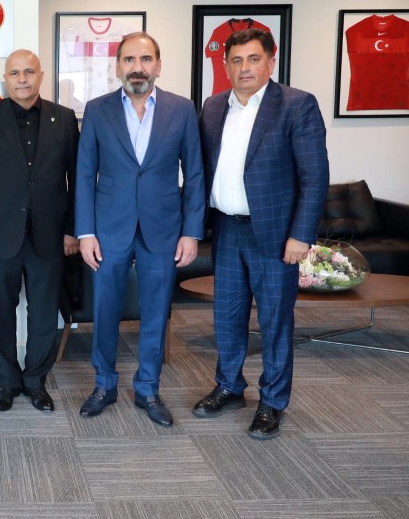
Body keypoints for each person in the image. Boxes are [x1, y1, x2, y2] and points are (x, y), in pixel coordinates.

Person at [193, 27, 329, 440]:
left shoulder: (296, 105)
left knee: (274, 322)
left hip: (275, 236)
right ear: (225, 66)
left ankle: (272, 401)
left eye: (254, 59)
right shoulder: (213, 107)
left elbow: (314, 177)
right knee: (227, 317)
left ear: (271, 61)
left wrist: (301, 235)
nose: (245, 68)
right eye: (236, 60)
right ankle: (230, 386)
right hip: (226, 229)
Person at [75, 32, 205, 426]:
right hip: (108, 228)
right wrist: (85, 232)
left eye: (145, 59)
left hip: (162, 228)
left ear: (158, 66)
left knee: (156, 311)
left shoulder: (182, 109)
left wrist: (191, 231)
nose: (138, 67)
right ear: (117, 67)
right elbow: (84, 174)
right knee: (105, 309)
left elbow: (195, 174)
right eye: (129, 59)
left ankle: (148, 388)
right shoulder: (96, 110)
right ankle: (104, 384)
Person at [0, 49, 79, 413]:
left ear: (41, 76)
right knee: (1, 313)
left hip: (49, 235)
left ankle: (35, 382)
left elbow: (77, 177)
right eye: (15, 73)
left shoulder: (64, 118)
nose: (22, 79)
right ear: (5, 78)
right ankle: (7, 383)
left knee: (43, 314)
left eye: (29, 72)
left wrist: (72, 230)